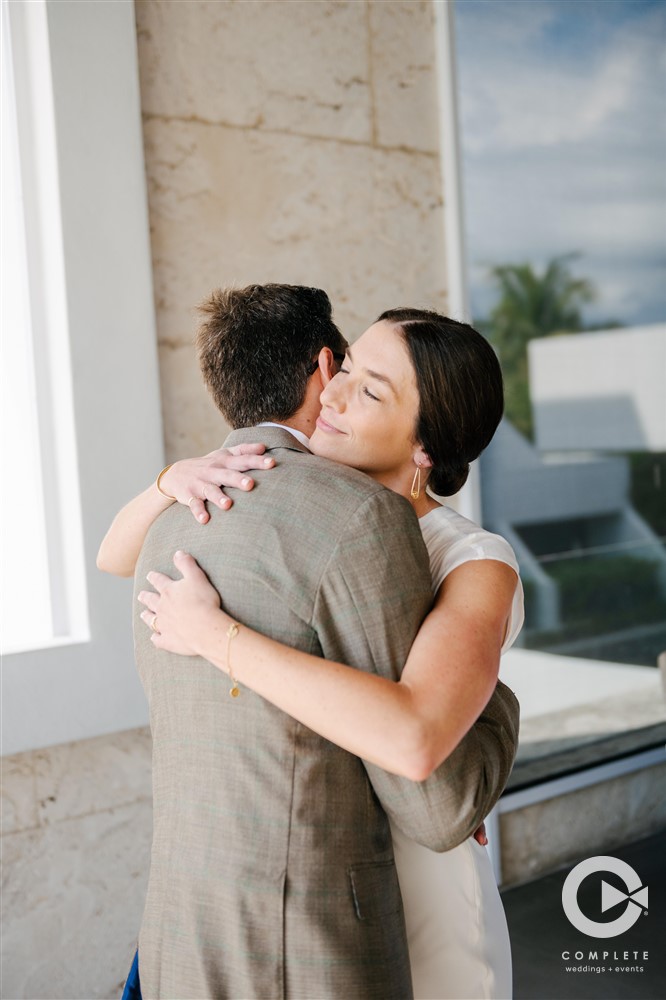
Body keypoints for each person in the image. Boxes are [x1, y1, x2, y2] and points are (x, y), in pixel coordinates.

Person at [99, 286, 521, 1000]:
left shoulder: (474, 560)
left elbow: (417, 740)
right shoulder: (306, 505)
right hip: (321, 870)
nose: (333, 395)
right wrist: (173, 480)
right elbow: (117, 555)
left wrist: (216, 635)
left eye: (371, 391)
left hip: (419, 884)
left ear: (426, 445)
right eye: (348, 365)